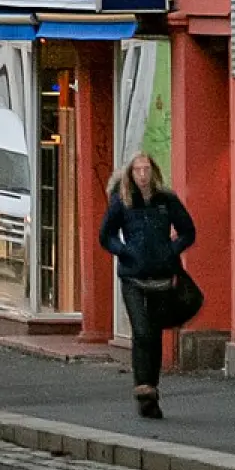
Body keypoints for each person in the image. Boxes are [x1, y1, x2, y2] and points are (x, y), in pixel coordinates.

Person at [98, 152, 196, 421]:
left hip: (161, 277)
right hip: (133, 277)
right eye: (137, 170)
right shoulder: (123, 202)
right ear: (130, 174)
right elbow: (105, 235)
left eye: (146, 169)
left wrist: (170, 250)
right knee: (141, 332)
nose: (142, 175)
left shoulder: (167, 200)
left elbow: (188, 231)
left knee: (153, 334)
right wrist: (124, 251)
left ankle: (151, 388)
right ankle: (143, 390)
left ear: (153, 172)